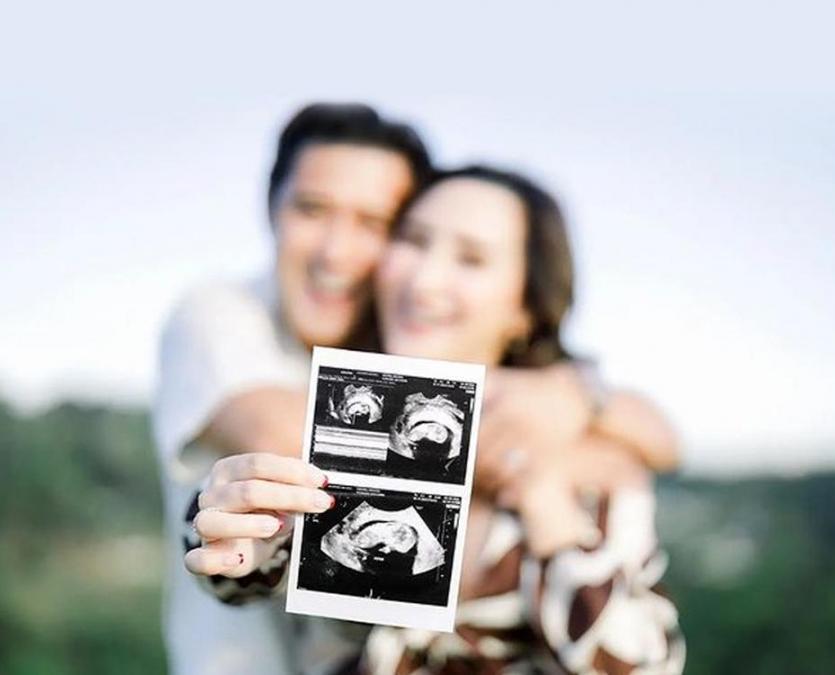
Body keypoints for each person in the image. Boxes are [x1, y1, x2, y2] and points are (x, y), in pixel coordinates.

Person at [185, 165, 685, 674]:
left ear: (526, 307)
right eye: (413, 240)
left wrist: (545, 503)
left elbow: (645, 666)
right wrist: (230, 527)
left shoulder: (592, 455)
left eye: (471, 259)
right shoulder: (337, 423)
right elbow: (238, 574)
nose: (424, 280)